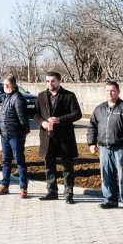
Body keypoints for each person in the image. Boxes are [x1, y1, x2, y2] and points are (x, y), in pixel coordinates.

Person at [87, 80, 123, 212]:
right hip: (104, 148)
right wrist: (91, 143)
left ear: (118, 91)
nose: (109, 93)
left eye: (112, 90)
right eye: (107, 91)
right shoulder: (99, 109)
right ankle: (110, 200)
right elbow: (92, 127)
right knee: (106, 175)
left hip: (121, 148)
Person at [34, 71, 82, 204]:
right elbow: (36, 114)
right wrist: (42, 122)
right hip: (47, 137)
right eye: (47, 81)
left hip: (64, 137)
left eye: (53, 81)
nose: (50, 84)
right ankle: (52, 191)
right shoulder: (41, 96)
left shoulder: (69, 96)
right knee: (49, 165)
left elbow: (77, 114)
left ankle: (68, 194)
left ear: (59, 81)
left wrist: (59, 119)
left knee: (67, 167)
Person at [0, 75, 32, 198]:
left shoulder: (17, 98)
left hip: (15, 136)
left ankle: (23, 188)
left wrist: (24, 132)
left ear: (9, 85)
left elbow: (23, 118)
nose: (3, 87)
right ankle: (5, 185)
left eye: (4, 84)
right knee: (6, 161)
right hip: (4, 135)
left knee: (19, 161)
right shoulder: (7, 97)